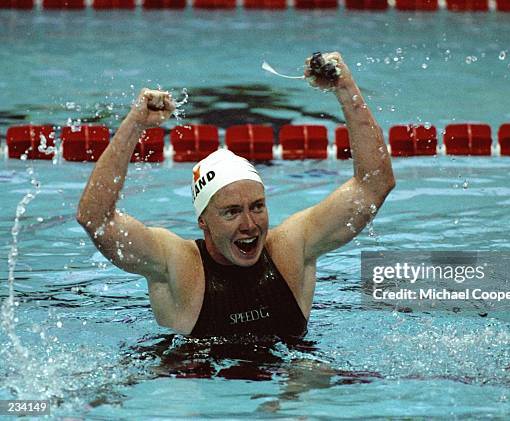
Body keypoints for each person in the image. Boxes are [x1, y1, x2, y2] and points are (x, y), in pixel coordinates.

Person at [77, 52, 395, 339]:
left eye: (257, 207)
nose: (249, 224)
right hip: (198, 386)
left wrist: (347, 90)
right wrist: (135, 125)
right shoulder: (178, 266)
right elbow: (95, 219)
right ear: (203, 221)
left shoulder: (291, 249)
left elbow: (374, 185)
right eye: (231, 212)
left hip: (285, 383)